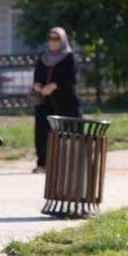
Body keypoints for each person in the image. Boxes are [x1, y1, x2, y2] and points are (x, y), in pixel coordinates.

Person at [32, 27, 81, 173]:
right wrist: (38, 85)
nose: (53, 42)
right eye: (50, 38)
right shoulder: (43, 57)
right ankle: (44, 164)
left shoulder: (69, 57)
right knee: (42, 133)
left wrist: (54, 85)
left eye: (56, 39)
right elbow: (37, 75)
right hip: (45, 102)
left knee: (69, 133)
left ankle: (71, 164)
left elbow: (71, 78)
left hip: (65, 102)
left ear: (63, 40)